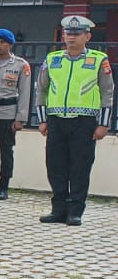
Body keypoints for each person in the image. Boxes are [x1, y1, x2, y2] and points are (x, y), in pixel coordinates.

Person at [35, 14, 113, 226]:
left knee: (80, 167)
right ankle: (58, 209)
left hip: (84, 121)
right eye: (68, 33)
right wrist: (42, 120)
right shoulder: (53, 59)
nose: (71, 37)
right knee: (55, 166)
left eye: (77, 34)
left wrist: (104, 123)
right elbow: (41, 89)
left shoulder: (98, 59)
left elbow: (107, 92)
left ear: (87, 36)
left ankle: (75, 210)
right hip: (56, 120)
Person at [0, 28, 31, 200]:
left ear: (10, 44)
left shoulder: (20, 65)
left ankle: (3, 187)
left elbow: (24, 93)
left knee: (6, 152)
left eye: (2, 42)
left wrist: (20, 118)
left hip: (8, 113)